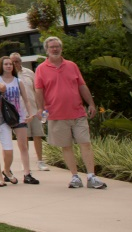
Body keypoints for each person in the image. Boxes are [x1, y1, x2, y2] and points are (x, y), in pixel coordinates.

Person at [34, 36, 106, 189]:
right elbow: (39, 90)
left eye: (57, 46)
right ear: (46, 50)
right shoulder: (41, 69)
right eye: (51, 47)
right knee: (66, 146)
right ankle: (75, 177)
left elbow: (82, 86)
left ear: (61, 48)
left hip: (78, 113)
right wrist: (40, 108)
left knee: (85, 143)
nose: (55, 49)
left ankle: (91, 177)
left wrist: (91, 104)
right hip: (56, 114)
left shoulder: (72, 65)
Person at [0, 56, 39, 185]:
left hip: (18, 115)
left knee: (23, 145)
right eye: (6, 64)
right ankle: (7, 170)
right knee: (7, 146)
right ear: (1, 66)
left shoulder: (18, 81)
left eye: (10, 64)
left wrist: (30, 114)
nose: (9, 66)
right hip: (4, 117)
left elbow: (25, 99)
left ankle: (27, 173)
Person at [11, 52, 48, 171]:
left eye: (17, 61)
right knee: (23, 138)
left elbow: (37, 90)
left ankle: (40, 161)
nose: (15, 63)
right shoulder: (10, 76)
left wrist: (41, 108)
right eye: (13, 62)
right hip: (20, 112)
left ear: (20, 61)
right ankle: (25, 161)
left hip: (34, 109)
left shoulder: (29, 73)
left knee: (38, 135)